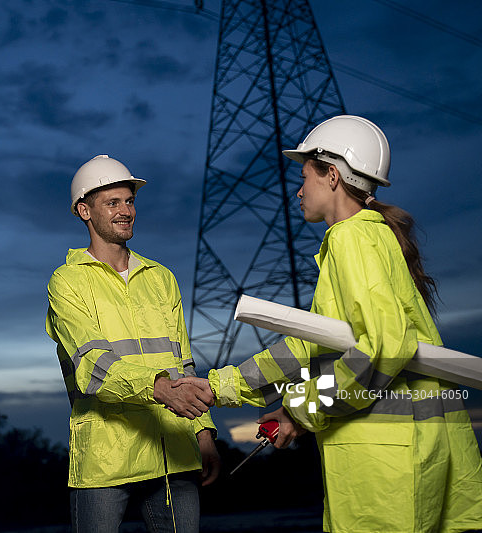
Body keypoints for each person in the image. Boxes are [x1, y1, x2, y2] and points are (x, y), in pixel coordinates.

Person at [170, 116, 482, 532]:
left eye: (305, 177)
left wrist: (302, 409)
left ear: (332, 175)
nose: (299, 190)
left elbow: (383, 348)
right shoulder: (373, 238)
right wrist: (221, 388)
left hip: (386, 460)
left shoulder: (351, 239)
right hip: (417, 449)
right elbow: (306, 349)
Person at [45, 155, 220, 533]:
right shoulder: (67, 282)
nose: (126, 211)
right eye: (113, 203)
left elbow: (184, 365)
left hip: (173, 452)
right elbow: (93, 368)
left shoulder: (161, 278)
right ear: (83, 211)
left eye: (130, 201)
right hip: (107, 459)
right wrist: (158, 388)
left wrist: (203, 432)